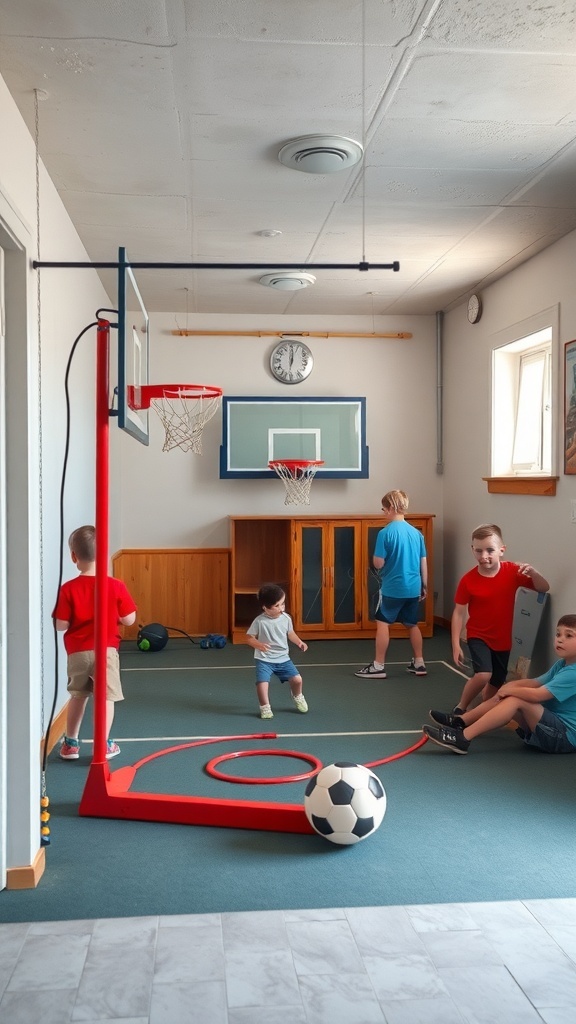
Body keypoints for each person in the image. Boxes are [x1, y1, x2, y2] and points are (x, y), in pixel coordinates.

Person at [423, 614, 576, 754]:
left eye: (569, 635)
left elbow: (538, 695)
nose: (560, 639)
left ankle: (462, 738)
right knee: (508, 695)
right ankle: (460, 722)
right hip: (549, 727)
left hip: (563, 738)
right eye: (558, 634)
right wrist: (508, 687)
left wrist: (510, 691)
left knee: (515, 698)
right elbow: (534, 682)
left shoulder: (573, 673)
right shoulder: (562, 664)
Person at [53, 525, 137, 760]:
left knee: (77, 695)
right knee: (106, 697)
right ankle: (103, 744)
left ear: (73, 556)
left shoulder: (68, 589)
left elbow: (60, 625)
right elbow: (130, 620)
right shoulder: (116, 586)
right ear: (104, 555)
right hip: (106, 652)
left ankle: (70, 743)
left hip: (78, 653)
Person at [451, 524, 549, 713]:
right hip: (478, 635)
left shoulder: (512, 572)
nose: (483, 556)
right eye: (478, 551)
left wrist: (535, 573)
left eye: (490, 550)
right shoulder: (468, 580)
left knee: (496, 681)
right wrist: (455, 644)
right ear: (472, 550)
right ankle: (461, 708)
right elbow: (458, 612)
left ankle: (483, 712)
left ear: (501, 550)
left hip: (503, 639)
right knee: (483, 674)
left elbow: (543, 588)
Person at [355, 489, 427, 679]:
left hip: (392, 588)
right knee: (412, 624)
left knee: (383, 623)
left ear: (392, 508)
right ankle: (419, 663)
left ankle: (378, 666)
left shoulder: (385, 533)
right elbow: (423, 562)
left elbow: (378, 562)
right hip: (413, 587)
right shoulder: (417, 533)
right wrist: (424, 585)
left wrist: (378, 563)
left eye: (384, 508)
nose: (383, 512)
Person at [245, 583, 308, 719]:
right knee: (262, 683)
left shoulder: (286, 618)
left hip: (283, 658)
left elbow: (290, 633)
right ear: (265, 608)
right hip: (264, 659)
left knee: (297, 680)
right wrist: (259, 644)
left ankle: (297, 695)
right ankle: (265, 707)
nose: (281, 608)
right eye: (277, 606)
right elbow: (249, 638)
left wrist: (299, 642)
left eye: (283, 604)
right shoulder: (259, 621)